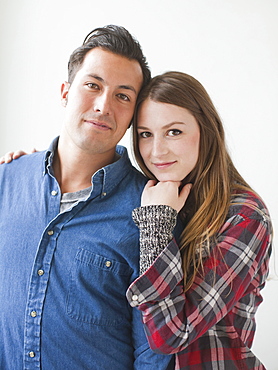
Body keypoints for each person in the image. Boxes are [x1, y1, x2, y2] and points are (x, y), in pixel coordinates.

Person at [0, 25, 175, 369]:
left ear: (133, 116)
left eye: (123, 96)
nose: (103, 105)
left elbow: (154, 352)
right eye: (92, 85)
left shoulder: (151, 210)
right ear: (65, 91)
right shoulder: (7, 180)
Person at [125, 71, 273, 369]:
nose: (157, 151)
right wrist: (30, 166)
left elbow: (172, 335)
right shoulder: (149, 194)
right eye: (145, 134)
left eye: (174, 132)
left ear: (205, 130)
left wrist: (157, 222)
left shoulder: (244, 216)